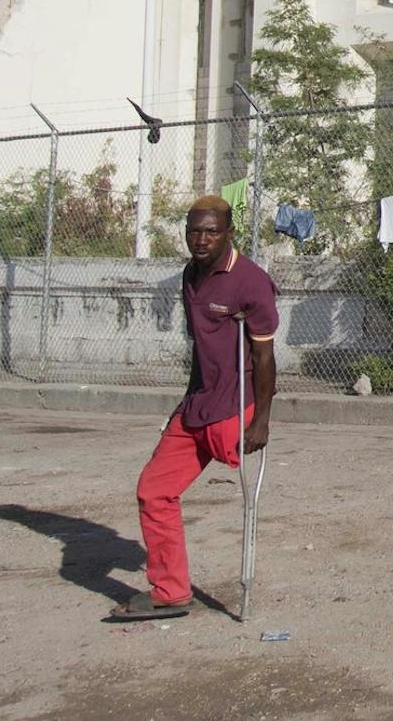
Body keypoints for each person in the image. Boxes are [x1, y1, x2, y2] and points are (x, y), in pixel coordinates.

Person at [115, 195, 277, 620]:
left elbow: (263, 357)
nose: (201, 239)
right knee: (154, 490)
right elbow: (201, 350)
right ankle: (170, 592)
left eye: (211, 231)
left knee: (247, 496)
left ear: (229, 233)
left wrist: (261, 419)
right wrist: (184, 403)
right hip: (198, 406)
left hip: (234, 409)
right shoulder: (190, 275)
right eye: (194, 230)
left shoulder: (251, 281)